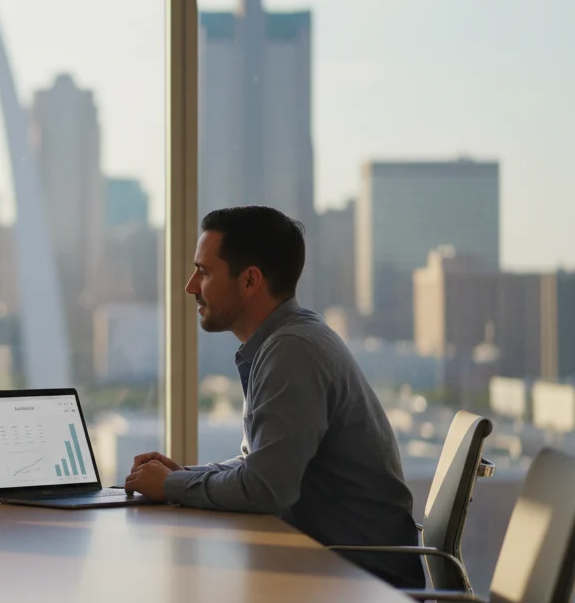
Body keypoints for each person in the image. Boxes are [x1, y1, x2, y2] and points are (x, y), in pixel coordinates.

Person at [124, 206, 425, 588]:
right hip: (335, 569)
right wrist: (183, 476)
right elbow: (261, 465)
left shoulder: (292, 352)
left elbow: (266, 489)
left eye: (204, 272)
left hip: (360, 583)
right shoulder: (286, 341)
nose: (190, 287)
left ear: (250, 281)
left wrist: (169, 487)